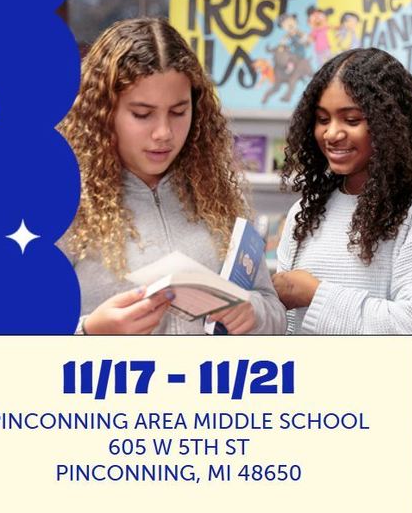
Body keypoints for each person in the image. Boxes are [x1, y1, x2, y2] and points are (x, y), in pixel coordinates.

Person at [272, 48, 412, 456]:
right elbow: (289, 333)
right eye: (323, 119)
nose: (332, 133)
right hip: (312, 421)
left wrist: (313, 294)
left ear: (389, 122)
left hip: (398, 429)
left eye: (352, 119)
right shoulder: (306, 210)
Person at [57, 18, 286, 336]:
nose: (164, 133)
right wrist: (89, 331)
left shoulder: (217, 194)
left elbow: (273, 310)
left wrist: (255, 313)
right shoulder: (61, 202)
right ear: (104, 112)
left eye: (179, 112)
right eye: (142, 114)